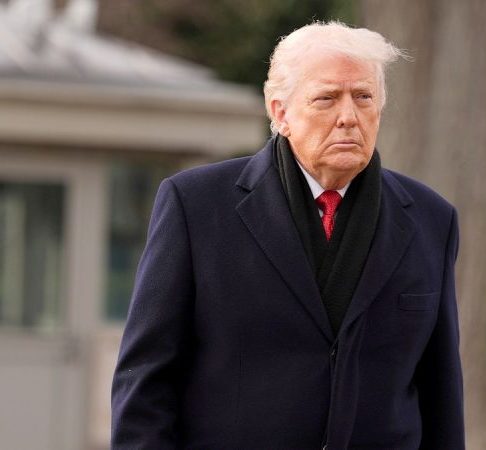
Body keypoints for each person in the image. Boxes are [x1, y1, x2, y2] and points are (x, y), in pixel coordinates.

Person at [111, 21, 464, 450]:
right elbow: (145, 381)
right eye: (327, 98)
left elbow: (441, 394)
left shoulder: (431, 219)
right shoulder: (196, 206)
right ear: (280, 112)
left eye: (364, 97)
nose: (348, 116)